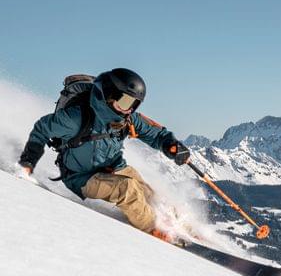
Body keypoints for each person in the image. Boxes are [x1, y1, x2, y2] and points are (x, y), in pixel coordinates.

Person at [18, 68, 190, 242]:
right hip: (82, 177)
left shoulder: (125, 117)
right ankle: (156, 229)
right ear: (108, 96)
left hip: (113, 167)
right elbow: (42, 127)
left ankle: (186, 227)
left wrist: (171, 145)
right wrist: (28, 161)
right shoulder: (75, 118)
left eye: (134, 104)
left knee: (151, 195)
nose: (129, 109)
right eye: (126, 102)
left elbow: (155, 133)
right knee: (128, 189)